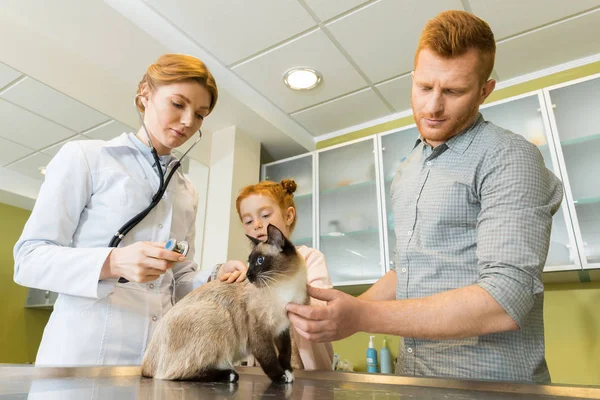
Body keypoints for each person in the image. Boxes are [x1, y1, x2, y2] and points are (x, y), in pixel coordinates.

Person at [286, 10, 563, 383]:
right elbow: (409, 273)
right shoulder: (408, 169)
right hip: (416, 381)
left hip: (490, 387)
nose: (433, 107)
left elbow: (505, 300)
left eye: (453, 91)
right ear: (412, 79)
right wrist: (335, 310)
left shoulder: (509, 156)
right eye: (424, 87)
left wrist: (362, 317)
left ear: (485, 90)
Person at [13, 53, 219, 366]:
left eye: (200, 114)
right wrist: (113, 262)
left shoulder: (187, 190)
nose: (189, 121)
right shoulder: (87, 157)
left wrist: (216, 279)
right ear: (145, 94)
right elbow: (29, 259)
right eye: (178, 104)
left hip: (155, 357)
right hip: (82, 355)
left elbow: (177, 279)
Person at [215, 179, 334, 371]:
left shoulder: (310, 258)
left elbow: (321, 311)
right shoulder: (252, 272)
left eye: (264, 215)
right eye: (248, 221)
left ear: (288, 216)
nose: (257, 225)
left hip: (310, 373)